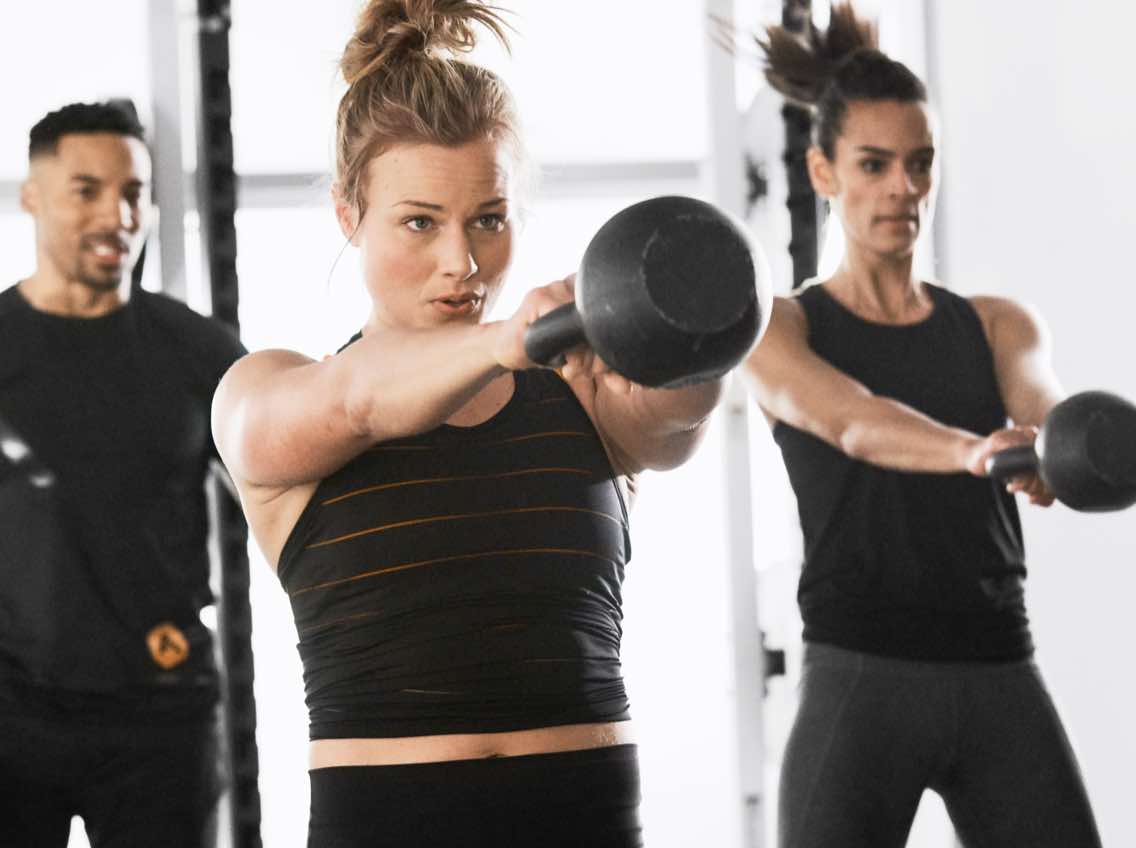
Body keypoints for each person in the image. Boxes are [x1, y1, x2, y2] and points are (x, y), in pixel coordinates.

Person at [210, 1, 730, 846]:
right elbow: (360, 401)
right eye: (420, 222)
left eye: (488, 218)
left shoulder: (577, 391)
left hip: (588, 818)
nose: (462, 262)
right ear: (348, 213)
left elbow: (680, 416)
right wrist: (505, 342)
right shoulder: (267, 392)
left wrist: (682, 326)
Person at [743, 5, 1103, 847]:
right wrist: (977, 453)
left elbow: (1050, 415)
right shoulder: (781, 327)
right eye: (874, 165)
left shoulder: (997, 323)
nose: (904, 187)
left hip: (998, 667)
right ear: (823, 172)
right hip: (860, 676)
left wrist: (1064, 454)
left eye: (920, 163)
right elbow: (854, 423)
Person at [0, 102, 247, 847]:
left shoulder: (197, 351)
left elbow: (284, 487)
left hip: (161, 716)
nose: (119, 214)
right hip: (12, 712)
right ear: (33, 196)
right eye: (88, 191)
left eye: (134, 192)